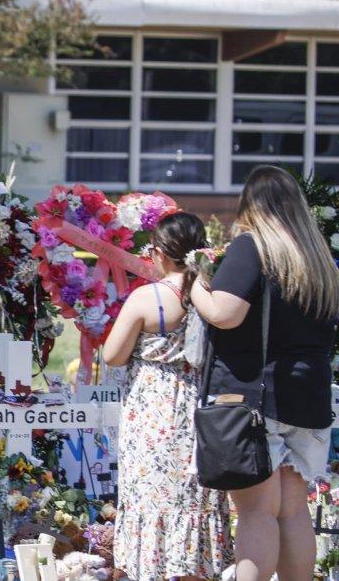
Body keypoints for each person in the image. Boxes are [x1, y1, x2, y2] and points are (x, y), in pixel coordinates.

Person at [191, 165, 339, 581]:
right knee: (293, 511)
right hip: (308, 400)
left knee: (257, 511)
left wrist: (196, 287)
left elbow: (225, 313)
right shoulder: (319, 259)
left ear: (250, 205)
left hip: (255, 400)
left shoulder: (252, 247)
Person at [102, 212, 232, 581]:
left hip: (152, 409)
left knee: (150, 497)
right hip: (200, 405)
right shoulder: (213, 294)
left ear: (159, 253)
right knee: (195, 499)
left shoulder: (148, 297)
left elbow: (112, 355)